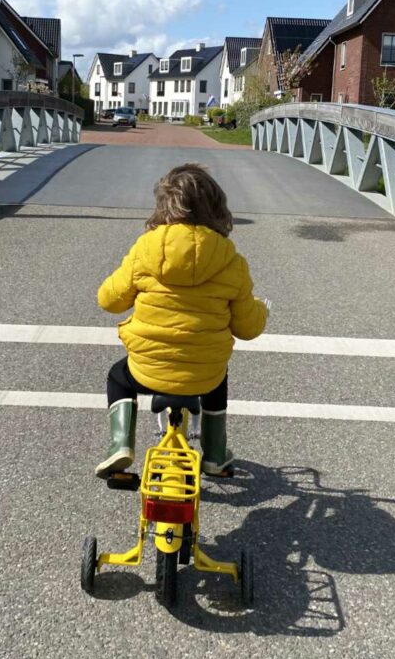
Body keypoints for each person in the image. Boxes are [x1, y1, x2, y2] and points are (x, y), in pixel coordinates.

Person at [95, 163, 268, 478]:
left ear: (163, 205)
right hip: (203, 374)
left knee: (117, 377)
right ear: (216, 208)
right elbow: (248, 327)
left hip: (147, 368)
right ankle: (215, 453)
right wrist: (261, 310)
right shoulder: (230, 260)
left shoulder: (144, 250)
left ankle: (120, 444)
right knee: (217, 376)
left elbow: (109, 300)